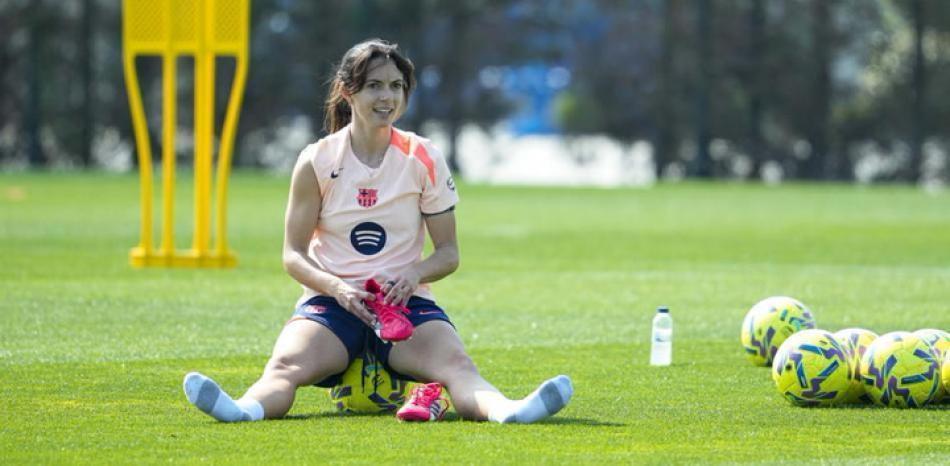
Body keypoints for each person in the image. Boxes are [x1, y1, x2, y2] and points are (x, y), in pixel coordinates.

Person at [182, 39, 573, 423]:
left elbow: (448, 253)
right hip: (332, 305)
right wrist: (337, 288)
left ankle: (508, 411)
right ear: (347, 91)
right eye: (374, 85)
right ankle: (243, 410)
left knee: (458, 366)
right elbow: (293, 255)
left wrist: (413, 275)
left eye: (396, 86)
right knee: (284, 366)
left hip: (405, 305)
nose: (387, 97)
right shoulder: (316, 161)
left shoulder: (424, 156)